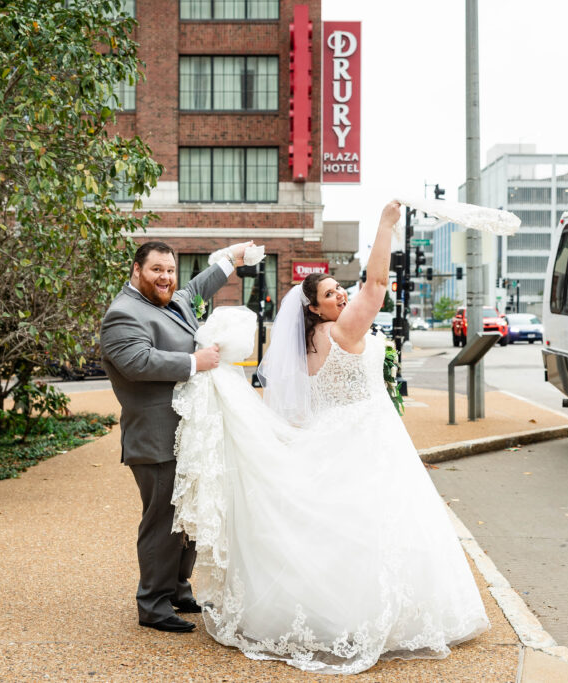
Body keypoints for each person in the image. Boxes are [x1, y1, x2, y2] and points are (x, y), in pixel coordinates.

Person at [170, 201, 490, 674]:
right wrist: (385, 225)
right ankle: (367, 617)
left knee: (336, 534)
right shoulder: (342, 331)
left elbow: (300, 407)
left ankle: (327, 612)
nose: (341, 294)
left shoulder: (305, 342)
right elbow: (376, 285)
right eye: (330, 292)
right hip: (368, 440)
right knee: (377, 529)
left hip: (330, 438)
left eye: (340, 288)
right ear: (314, 307)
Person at [100, 239, 254, 633]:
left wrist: (230, 260)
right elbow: (137, 362)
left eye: (169, 270)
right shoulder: (123, 313)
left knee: (188, 516)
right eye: (157, 270)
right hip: (155, 438)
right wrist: (193, 362)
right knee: (162, 521)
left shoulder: (174, 301)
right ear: (137, 270)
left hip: (189, 434)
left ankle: (178, 589)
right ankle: (152, 603)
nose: (166, 277)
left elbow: (196, 288)